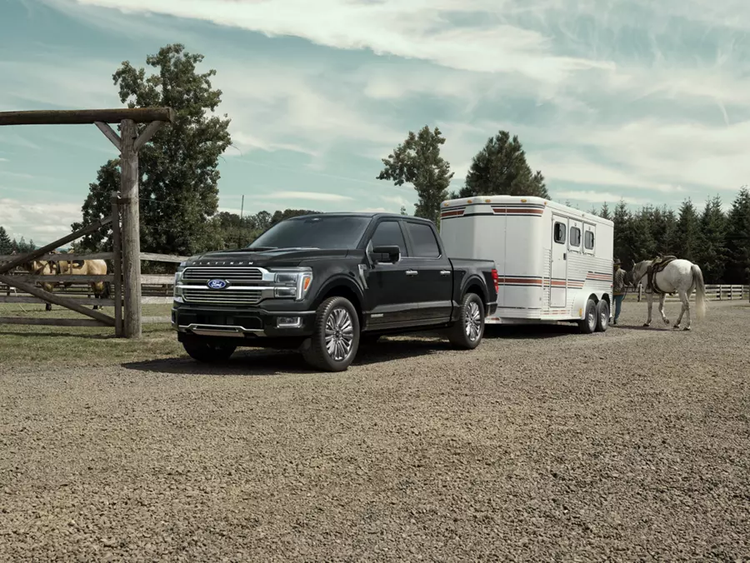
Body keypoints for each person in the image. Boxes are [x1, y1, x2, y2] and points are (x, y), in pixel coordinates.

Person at [613, 258, 627, 325]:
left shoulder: (611, 272)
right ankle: (615, 318)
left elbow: (626, 281)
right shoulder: (623, 272)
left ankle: (614, 318)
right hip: (619, 290)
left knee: (614, 305)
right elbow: (626, 281)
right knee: (617, 305)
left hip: (614, 290)